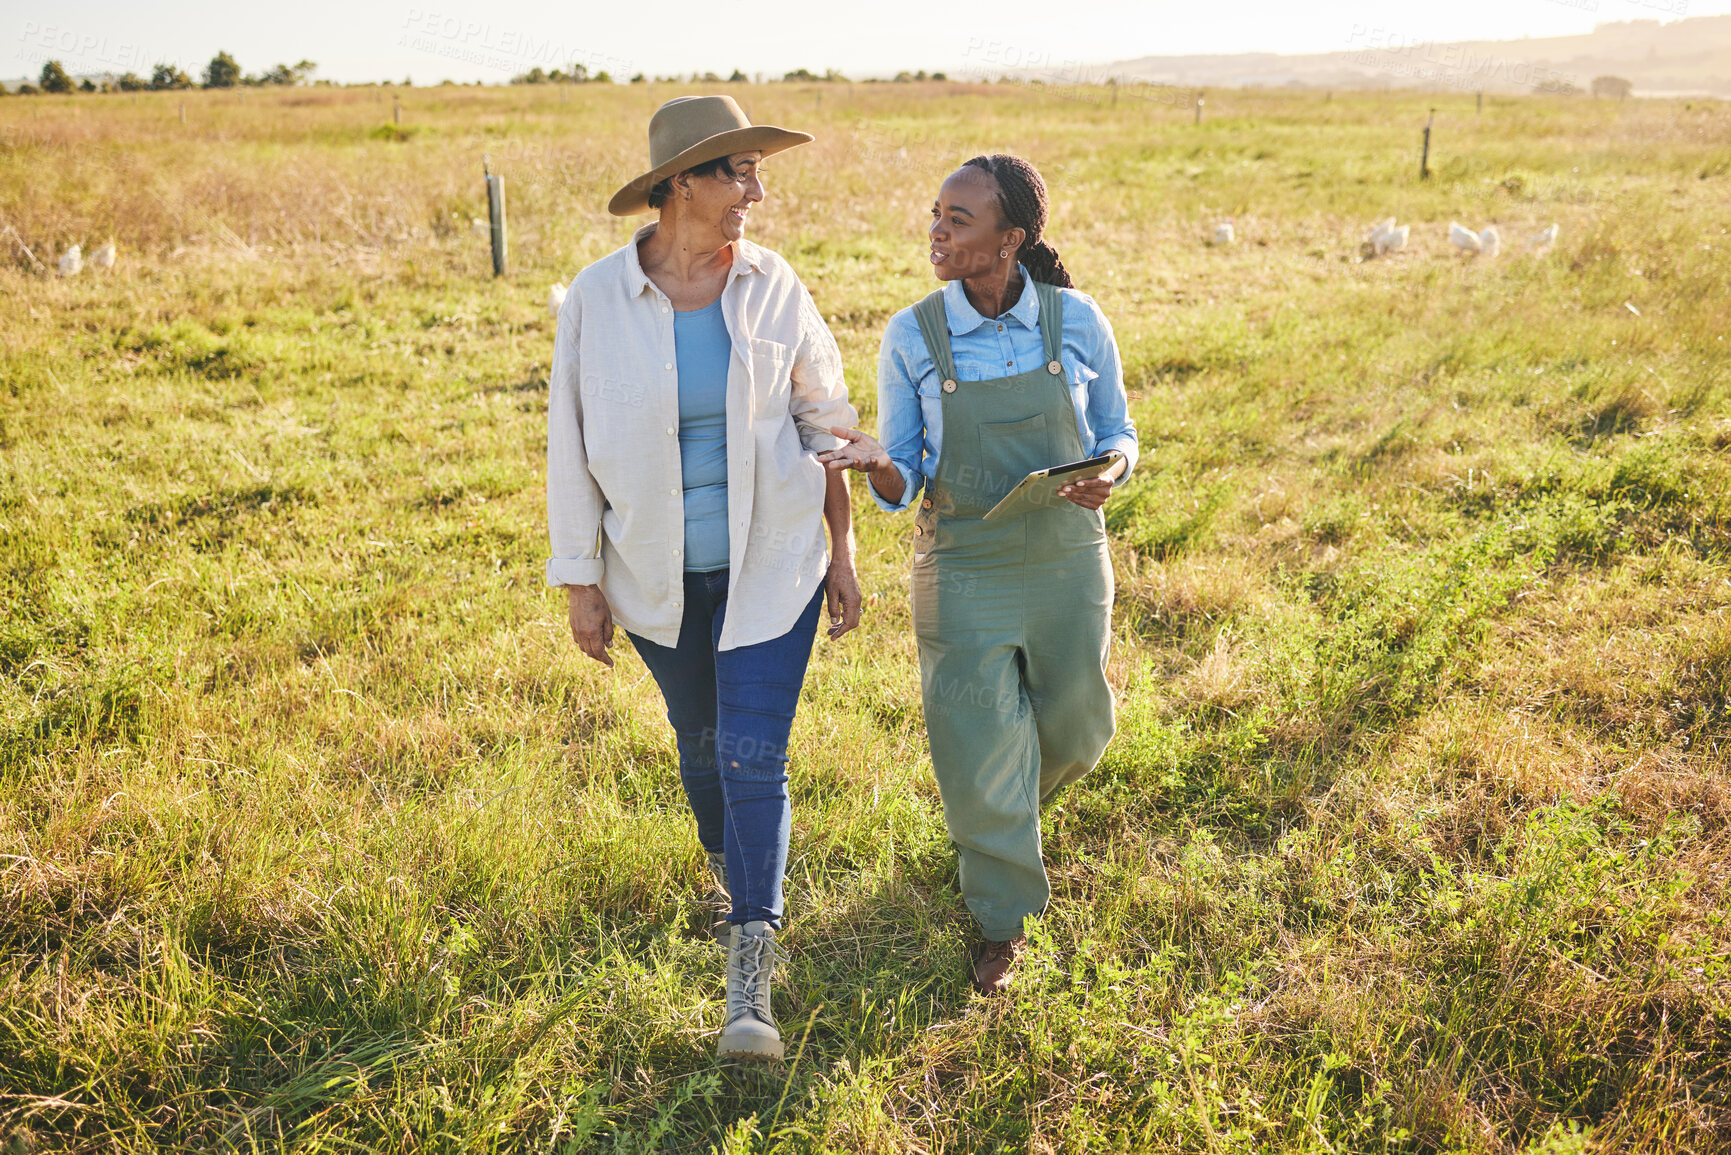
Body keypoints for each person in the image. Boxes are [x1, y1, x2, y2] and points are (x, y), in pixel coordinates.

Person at [547, 95, 861, 1061]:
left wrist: (843, 551)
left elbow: (827, 425)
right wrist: (580, 577)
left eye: (757, 174)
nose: (754, 193)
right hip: (652, 574)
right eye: (738, 173)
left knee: (753, 756)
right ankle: (732, 869)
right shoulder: (596, 299)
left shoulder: (775, 286)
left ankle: (748, 974)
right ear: (679, 182)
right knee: (699, 741)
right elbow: (569, 443)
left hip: (773, 566)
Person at [819, 154, 1137, 995]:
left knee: (1080, 724)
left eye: (958, 219)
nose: (937, 230)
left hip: (1068, 550)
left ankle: (1005, 815)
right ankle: (1003, 915)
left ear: (1011, 240)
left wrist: (1116, 470)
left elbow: (1120, 428)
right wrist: (878, 465)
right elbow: (907, 477)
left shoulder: (1074, 320)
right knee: (977, 744)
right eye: (935, 213)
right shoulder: (911, 334)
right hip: (961, 560)